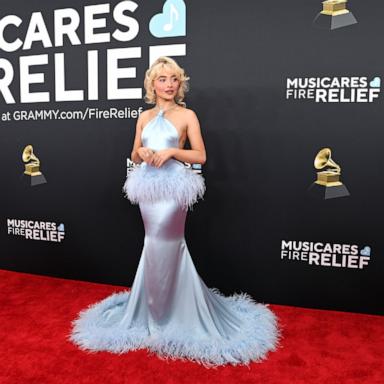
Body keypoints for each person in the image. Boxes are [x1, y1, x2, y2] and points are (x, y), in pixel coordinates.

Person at [69, 56, 279, 367]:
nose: (169, 85)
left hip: (173, 190)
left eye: (174, 79)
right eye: (163, 79)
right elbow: (134, 154)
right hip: (148, 190)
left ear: (180, 84)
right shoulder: (143, 116)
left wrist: (171, 151)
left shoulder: (187, 115)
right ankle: (152, 310)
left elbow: (200, 156)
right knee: (151, 244)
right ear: (151, 84)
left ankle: (174, 313)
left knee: (168, 242)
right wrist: (140, 152)